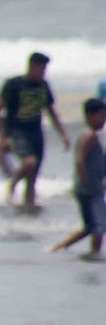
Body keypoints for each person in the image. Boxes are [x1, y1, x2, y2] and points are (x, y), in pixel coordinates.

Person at [0, 52, 70, 210]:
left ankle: (28, 211)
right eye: (41, 69)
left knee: (33, 178)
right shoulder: (13, 84)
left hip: (36, 132)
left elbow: (51, 112)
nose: (43, 73)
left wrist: (63, 134)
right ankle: (13, 183)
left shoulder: (44, 85)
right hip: (16, 131)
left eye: (45, 70)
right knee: (29, 162)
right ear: (31, 67)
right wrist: (2, 137)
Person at [49, 97, 105, 259]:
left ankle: (58, 247)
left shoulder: (86, 134)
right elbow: (80, 159)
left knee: (89, 226)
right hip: (90, 187)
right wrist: (88, 181)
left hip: (84, 186)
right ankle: (95, 254)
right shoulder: (90, 136)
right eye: (102, 116)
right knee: (100, 225)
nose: (104, 120)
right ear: (90, 116)